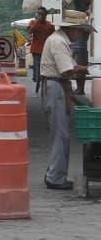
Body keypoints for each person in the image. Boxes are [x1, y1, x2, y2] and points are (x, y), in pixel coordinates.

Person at [39, 16, 93, 190]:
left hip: (57, 86)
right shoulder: (58, 42)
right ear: (74, 29)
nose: (82, 36)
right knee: (60, 134)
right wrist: (86, 69)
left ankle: (54, 172)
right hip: (55, 87)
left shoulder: (60, 40)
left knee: (60, 134)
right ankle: (55, 177)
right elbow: (67, 69)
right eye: (81, 32)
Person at [27, 6, 54, 90]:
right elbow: (30, 31)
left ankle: (42, 82)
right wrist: (37, 22)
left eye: (42, 14)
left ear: (46, 15)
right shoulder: (33, 22)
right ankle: (36, 78)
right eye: (38, 13)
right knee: (37, 68)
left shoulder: (50, 25)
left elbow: (53, 36)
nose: (40, 15)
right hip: (36, 50)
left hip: (46, 50)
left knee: (46, 69)